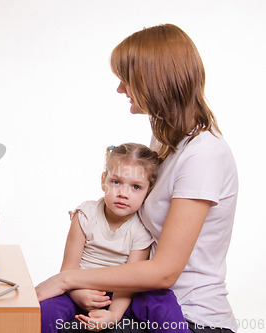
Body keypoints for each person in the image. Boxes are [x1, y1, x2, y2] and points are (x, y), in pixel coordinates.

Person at [36, 23, 238, 333]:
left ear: (155, 81)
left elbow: (164, 273)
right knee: (44, 317)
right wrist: (93, 218)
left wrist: (68, 278)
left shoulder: (202, 155)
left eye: (126, 79)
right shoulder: (165, 143)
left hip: (188, 316)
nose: (120, 88)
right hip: (141, 303)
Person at [41, 144, 189, 333]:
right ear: (103, 180)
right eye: (116, 182)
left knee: (163, 301)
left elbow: (132, 279)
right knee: (46, 310)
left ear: (148, 191)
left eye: (136, 187)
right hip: (80, 287)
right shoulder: (85, 215)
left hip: (123, 294)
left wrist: (114, 315)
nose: (123, 193)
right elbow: (68, 271)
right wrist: (79, 295)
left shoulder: (142, 227)